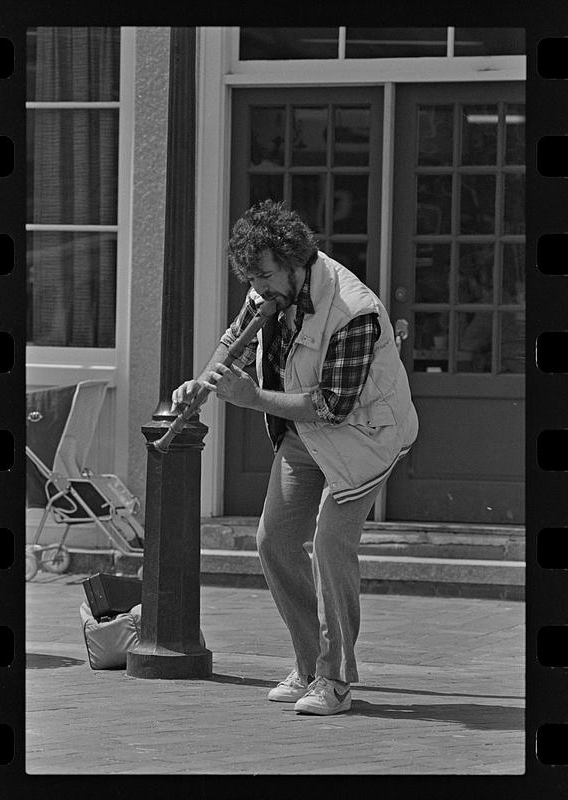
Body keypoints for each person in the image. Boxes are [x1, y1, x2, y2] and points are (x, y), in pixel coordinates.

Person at [172, 200, 418, 716]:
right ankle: (309, 665)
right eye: (253, 280)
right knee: (275, 541)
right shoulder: (270, 289)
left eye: (264, 277)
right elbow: (230, 347)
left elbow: (331, 406)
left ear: (293, 258)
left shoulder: (354, 311)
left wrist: (251, 398)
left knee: (330, 546)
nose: (258, 291)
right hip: (305, 436)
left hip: (366, 437)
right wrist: (201, 382)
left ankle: (335, 679)